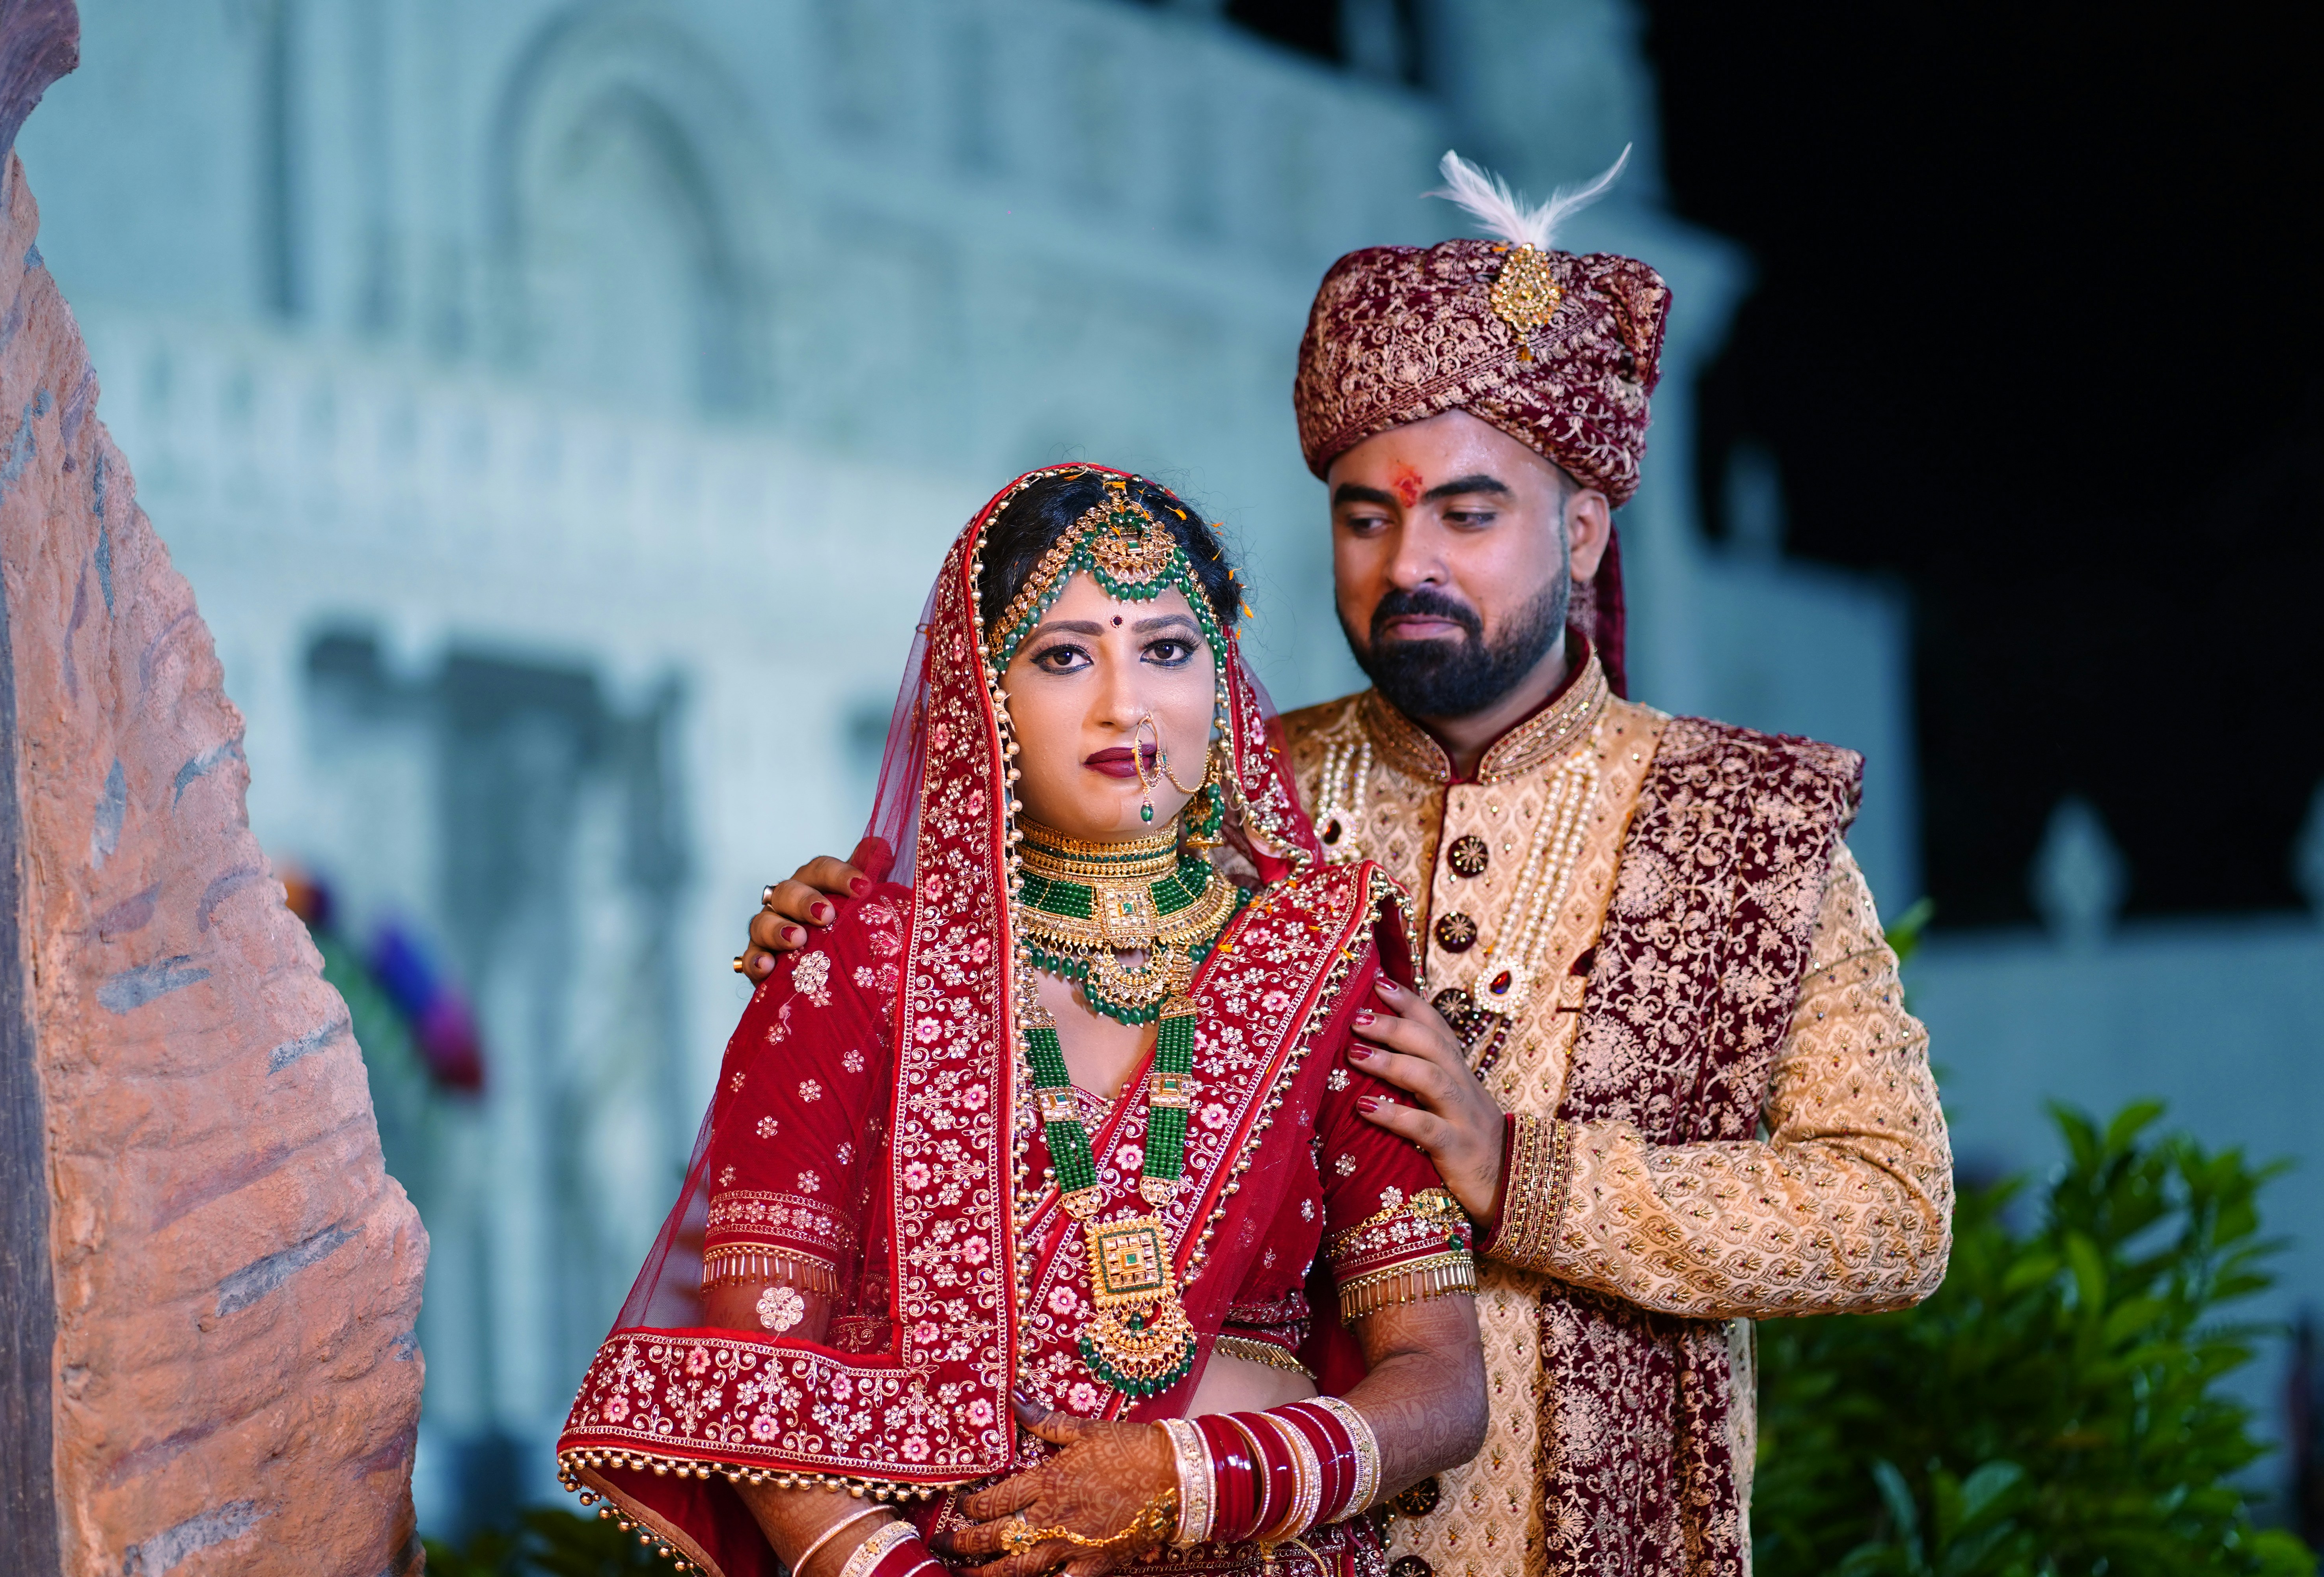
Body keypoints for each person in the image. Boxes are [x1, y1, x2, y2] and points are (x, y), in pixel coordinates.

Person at [735, 157, 1954, 1576]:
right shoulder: (1210, 787)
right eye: (1367, 517)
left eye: (1468, 514)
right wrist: (854, 930)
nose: (1407, 561)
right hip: (1223, 1537)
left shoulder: (1749, 830)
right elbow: (1005, 954)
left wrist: (1526, 1175)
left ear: (1583, 531)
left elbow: (1895, 1214)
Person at [557, 465, 1489, 1577]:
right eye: (1063, 657)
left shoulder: (1320, 959)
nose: (1126, 704)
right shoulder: (858, 965)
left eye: (1167, 649)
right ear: (982, 695)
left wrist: (1184, 1483)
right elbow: (762, 1377)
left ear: (1223, 680)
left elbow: (1440, 1383)